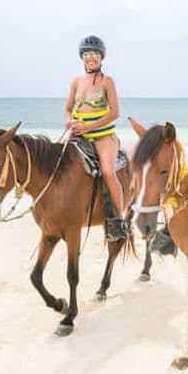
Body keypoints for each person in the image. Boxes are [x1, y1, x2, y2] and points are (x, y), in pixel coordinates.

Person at [63, 35, 129, 241]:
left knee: (109, 173)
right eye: (87, 55)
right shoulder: (76, 81)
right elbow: (67, 108)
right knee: (56, 161)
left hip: (102, 136)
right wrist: (68, 122)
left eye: (95, 55)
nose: (91, 58)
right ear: (82, 58)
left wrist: (88, 127)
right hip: (78, 134)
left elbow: (114, 113)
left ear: (102, 58)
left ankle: (119, 220)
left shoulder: (107, 81)